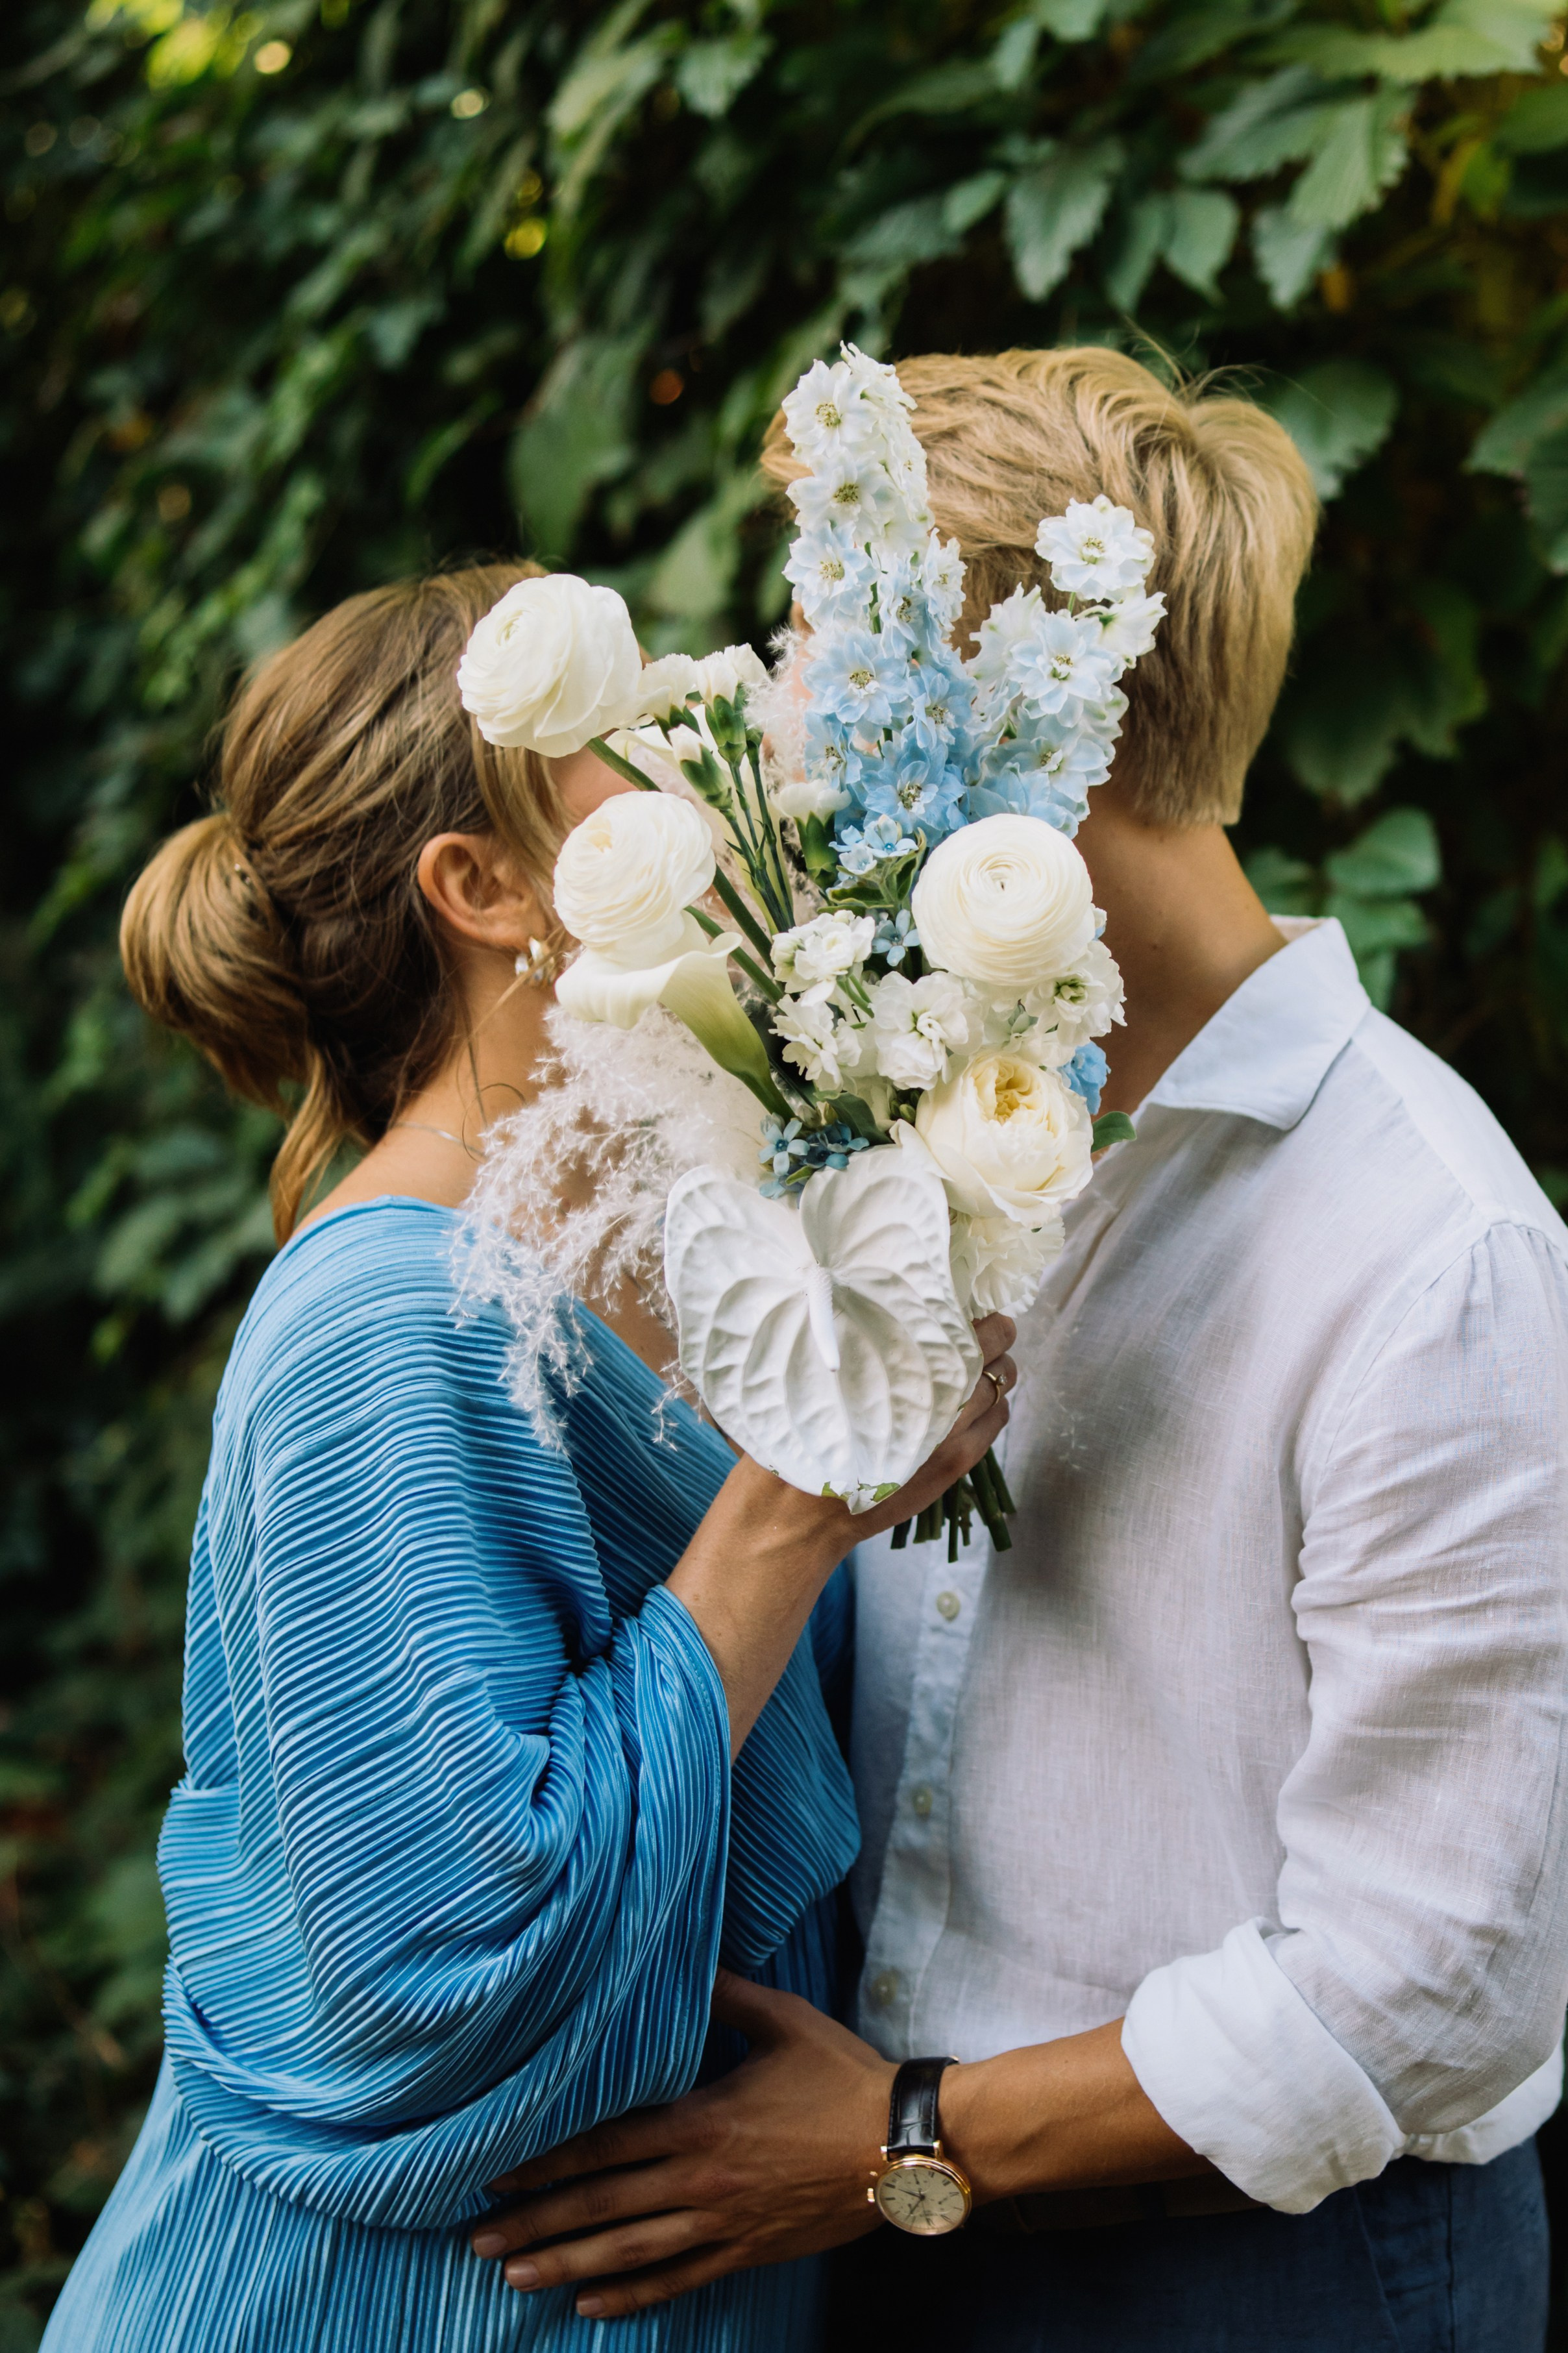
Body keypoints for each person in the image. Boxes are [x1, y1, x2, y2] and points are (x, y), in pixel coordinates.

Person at [467, 351, 1568, 2350]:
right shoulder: (897, 1126)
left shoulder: (1433, 1251)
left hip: (1263, 2275)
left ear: (986, 713)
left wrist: (895, 2131)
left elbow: (1435, 1981)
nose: (784, 748)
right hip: (897, 2232)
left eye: (820, 667)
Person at [40, 565, 1016, 2353]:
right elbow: (433, 1965)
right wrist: (789, 1511)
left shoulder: (692, 1241)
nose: (718, 773)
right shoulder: (384, 1317)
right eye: (637, 745)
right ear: (484, 888)